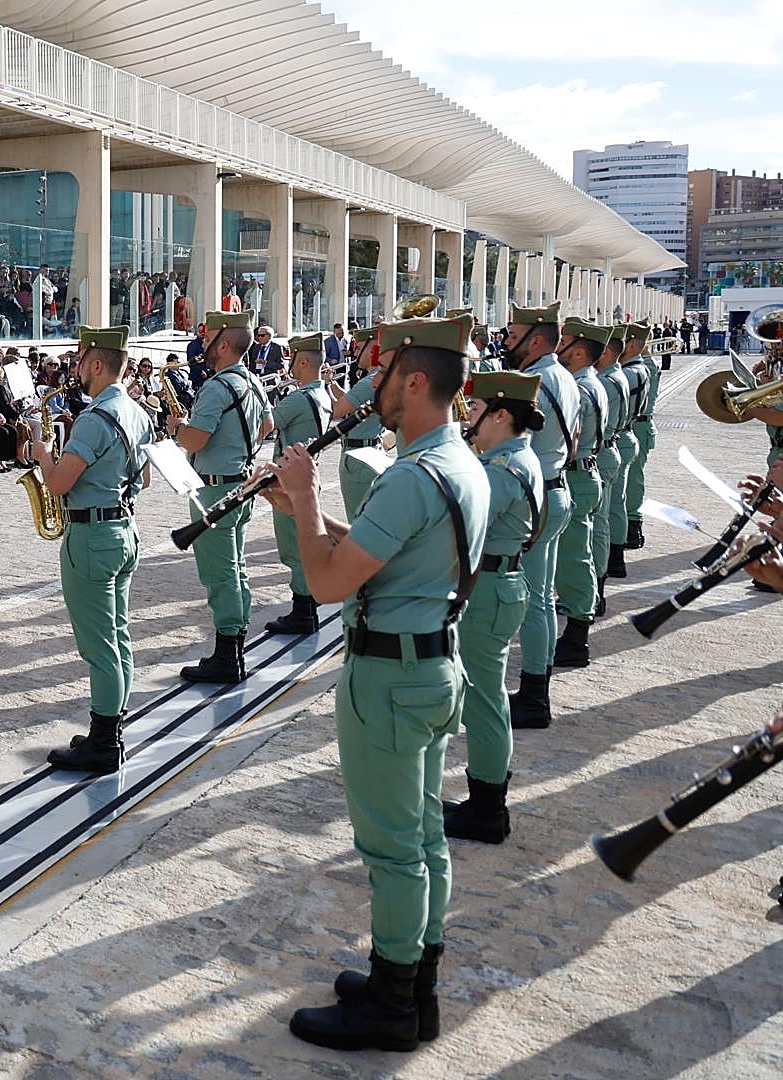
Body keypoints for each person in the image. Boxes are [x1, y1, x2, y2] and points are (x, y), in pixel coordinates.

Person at [262, 312, 487, 1053]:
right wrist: (312, 512)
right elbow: (378, 552)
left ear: (413, 380)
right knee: (423, 837)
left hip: (389, 679)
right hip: (431, 666)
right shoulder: (457, 462)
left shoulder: (410, 477)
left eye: (380, 374)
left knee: (392, 851)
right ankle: (414, 985)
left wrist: (302, 503)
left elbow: (328, 584)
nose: (370, 389)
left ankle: (392, 1004)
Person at [34, 328, 154, 774]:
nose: (77, 370)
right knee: (118, 636)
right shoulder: (138, 413)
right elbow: (144, 479)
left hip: (92, 537)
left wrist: (43, 452)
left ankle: (104, 742)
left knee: (100, 646)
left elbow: (58, 483)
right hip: (124, 529)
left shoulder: (93, 417)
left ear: (97, 364)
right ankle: (112, 727)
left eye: (81, 362)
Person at [443, 370, 544, 845]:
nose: (470, 419)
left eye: (478, 410)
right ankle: (486, 801)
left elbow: (456, 522)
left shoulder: (502, 470)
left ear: (501, 415)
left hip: (489, 588)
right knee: (486, 696)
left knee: (483, 701)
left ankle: (487, 809)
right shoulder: (517, 457)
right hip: (498, 582)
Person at [172, 310, 270, 684]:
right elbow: (267, 425)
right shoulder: (252, 381)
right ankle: (236, 645)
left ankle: (227, 656)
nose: (202, 343)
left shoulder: (216, 386)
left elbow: (195, 440)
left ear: (224, 344)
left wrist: (178, 427)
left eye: (208, 337)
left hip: (215, 490)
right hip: (240, 484)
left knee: (221, 574)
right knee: (236, 567)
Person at [500, 304, 578, 729]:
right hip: (556, 487)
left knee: (532, 600)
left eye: (514, 335)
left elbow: (510, 442)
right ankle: (537, 687)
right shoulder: (564, 376)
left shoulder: (534, 382)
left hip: (538, 499)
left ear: (536, 340)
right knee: (543, 598)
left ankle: (534, 696)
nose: (507, 341)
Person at [542, 319, 612, 696]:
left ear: (580, 351)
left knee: (573, 557)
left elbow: (570, 439)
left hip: (578, 475)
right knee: (577, 551)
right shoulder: (590, 382)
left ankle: (576, 637)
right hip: (586, 473)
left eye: (565, 342)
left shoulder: (581, 388)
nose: (559, 348)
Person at [265, 335, 332, 634]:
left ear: (303, 362)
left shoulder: (297, 398)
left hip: (290, 481)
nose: (288, 363)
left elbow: (265, 426)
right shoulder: (322, 394)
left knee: (294, 548)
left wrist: (258, 398)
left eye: (291, 358)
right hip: (308, 475)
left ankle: (303, 611)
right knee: (304, 540)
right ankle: (308, 605)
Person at [591, 325, 632, 614]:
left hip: (603, 450)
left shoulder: (605, 381)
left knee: (597, 526)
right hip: (612, 446)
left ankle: (596, 588)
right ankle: (601, 579)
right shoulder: (616, 375)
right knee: (607, 516)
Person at [327, 326, 384, 518]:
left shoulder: (369, 382)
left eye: (358, 348)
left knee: (357, 519)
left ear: (372, 349)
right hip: (369, 451)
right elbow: (350, 399)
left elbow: (336, 411)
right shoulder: (374, 379)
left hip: (358, 458)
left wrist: (320, 385)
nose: (355, 353)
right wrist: (331, 383)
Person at [619, 322, 658, 550]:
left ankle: (633, 525)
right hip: (639, 425)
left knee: (633, 479)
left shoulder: (642, 366)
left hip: (638, 425)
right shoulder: (641, 363)